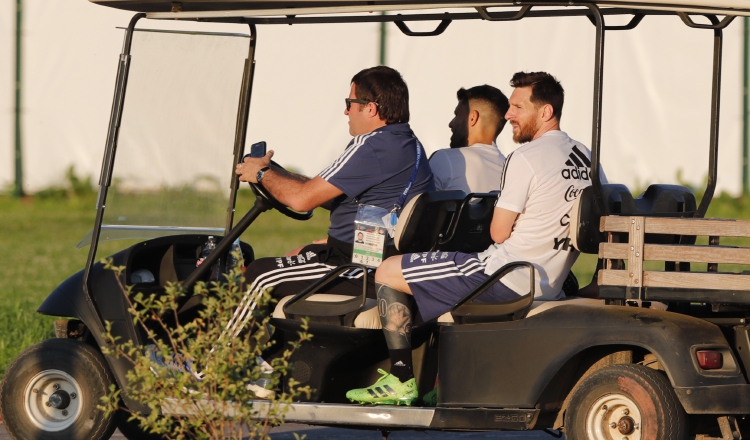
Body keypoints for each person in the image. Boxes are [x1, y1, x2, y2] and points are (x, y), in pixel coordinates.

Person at [346, 71, 606, 406]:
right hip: (552, 280)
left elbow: (498, 232)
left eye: (517, 106)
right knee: (444, 272)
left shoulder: (526, 158)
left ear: (545, 112)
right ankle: (451, 382)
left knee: (388, 271)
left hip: (501, 276)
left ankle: (400, 378)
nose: (509, 114)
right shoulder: (587, 157)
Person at [230, 66, 434, 340]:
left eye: (349, 103)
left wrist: (260, 174)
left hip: (357, 268)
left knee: (258, 275)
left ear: (370, 108)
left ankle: (209, 369)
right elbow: (322, 188)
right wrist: (278, 174)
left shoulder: (372, 146)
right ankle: (269, 360)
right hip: (370, 257)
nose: (346, 111)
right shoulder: (405, 142)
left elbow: (302, 200)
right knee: (293, 255)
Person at [430, 85, 509, 193]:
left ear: (472, 118)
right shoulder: (510, 171)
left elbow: (416, 207)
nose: (451, 123)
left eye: (457, 115)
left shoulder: (445, 159)